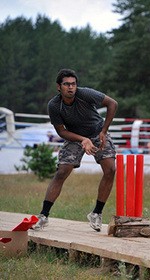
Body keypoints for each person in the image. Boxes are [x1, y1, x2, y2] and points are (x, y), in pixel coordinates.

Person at [32, 69, 118, 232]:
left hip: (97, 132)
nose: (70, 87)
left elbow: (113, 103)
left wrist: (104, 131)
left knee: (111, 169)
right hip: (74, 136)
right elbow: (61, 131)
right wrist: (82, 140)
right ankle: (43, 216)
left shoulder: (85, 94)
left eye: (73, 84)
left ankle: (96, 213)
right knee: (62, 172)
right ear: (59, 87)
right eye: (66, 84)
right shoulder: (54, 105)